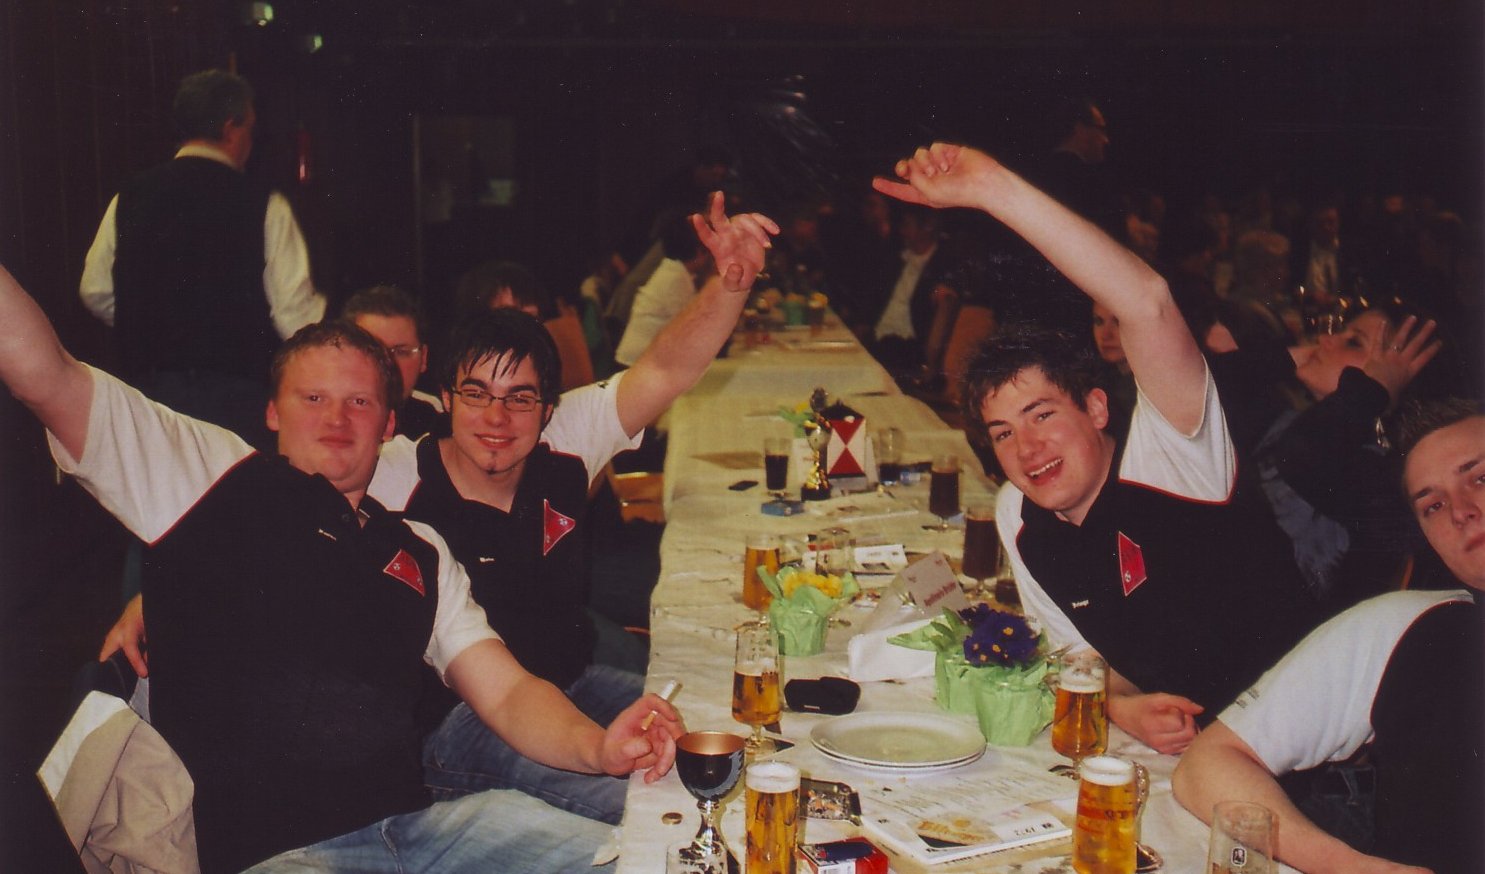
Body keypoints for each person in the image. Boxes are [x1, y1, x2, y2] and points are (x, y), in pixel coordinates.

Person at [102, 192, 779, 827]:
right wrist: (155, 595)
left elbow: (665, 369)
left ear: (546, 408)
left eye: (518, 398)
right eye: (476, 394)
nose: (496, 417)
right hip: (454, 722)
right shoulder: (391, 471)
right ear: (445, 398)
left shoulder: (565, 439)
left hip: (566, 685)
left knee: (722, 740)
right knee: (644, 802)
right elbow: (264, 498)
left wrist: (730, 284)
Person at [4, 266, 684, 873]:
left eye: (359, 402)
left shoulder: (421, 551)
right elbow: (47, 374)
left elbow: (507, 695)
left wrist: (597, 748)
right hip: (281, 857)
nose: (337, 418)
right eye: (313, 398)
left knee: (648, 857)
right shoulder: (211, 484)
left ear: (388, 424)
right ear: (272, 412)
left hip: (420, 832)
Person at [875, 142, 1320, 755]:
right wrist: (1123, 707)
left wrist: (993, 190)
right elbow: (1078, 658)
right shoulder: (1018, 513)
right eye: (1002, 432)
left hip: (1291, 752)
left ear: (1097, 409)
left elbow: (1146, 300)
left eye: (1042, 414)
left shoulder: (1172, 457)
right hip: (1180, 757)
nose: (1027, 447)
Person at [1172, 399, 1484, 874]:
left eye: (1479, 478)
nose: (1460, 511)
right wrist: (1351, 866)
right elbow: (1208, 765)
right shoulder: (1410, 626)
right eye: (1433, 505)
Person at [79, 69, 323, 448]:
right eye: (250, 129)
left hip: (148, 395)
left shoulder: (130, 197)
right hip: (237, 399)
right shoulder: (264, 204)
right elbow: (294, 316)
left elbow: (95, 291)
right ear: (231, 128)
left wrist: (149, 321)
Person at [341, 284, 444, 438]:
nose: (388, 363)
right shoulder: (319, 421)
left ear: (423, 358)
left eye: (401, 352)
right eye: (372, 351)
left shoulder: (440, 431)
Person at [614, 212, 715, 366]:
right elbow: (695, 329)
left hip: (642, 361)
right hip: (634, 364)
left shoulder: (675, 270)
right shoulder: (675, 277)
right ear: (700, 252)